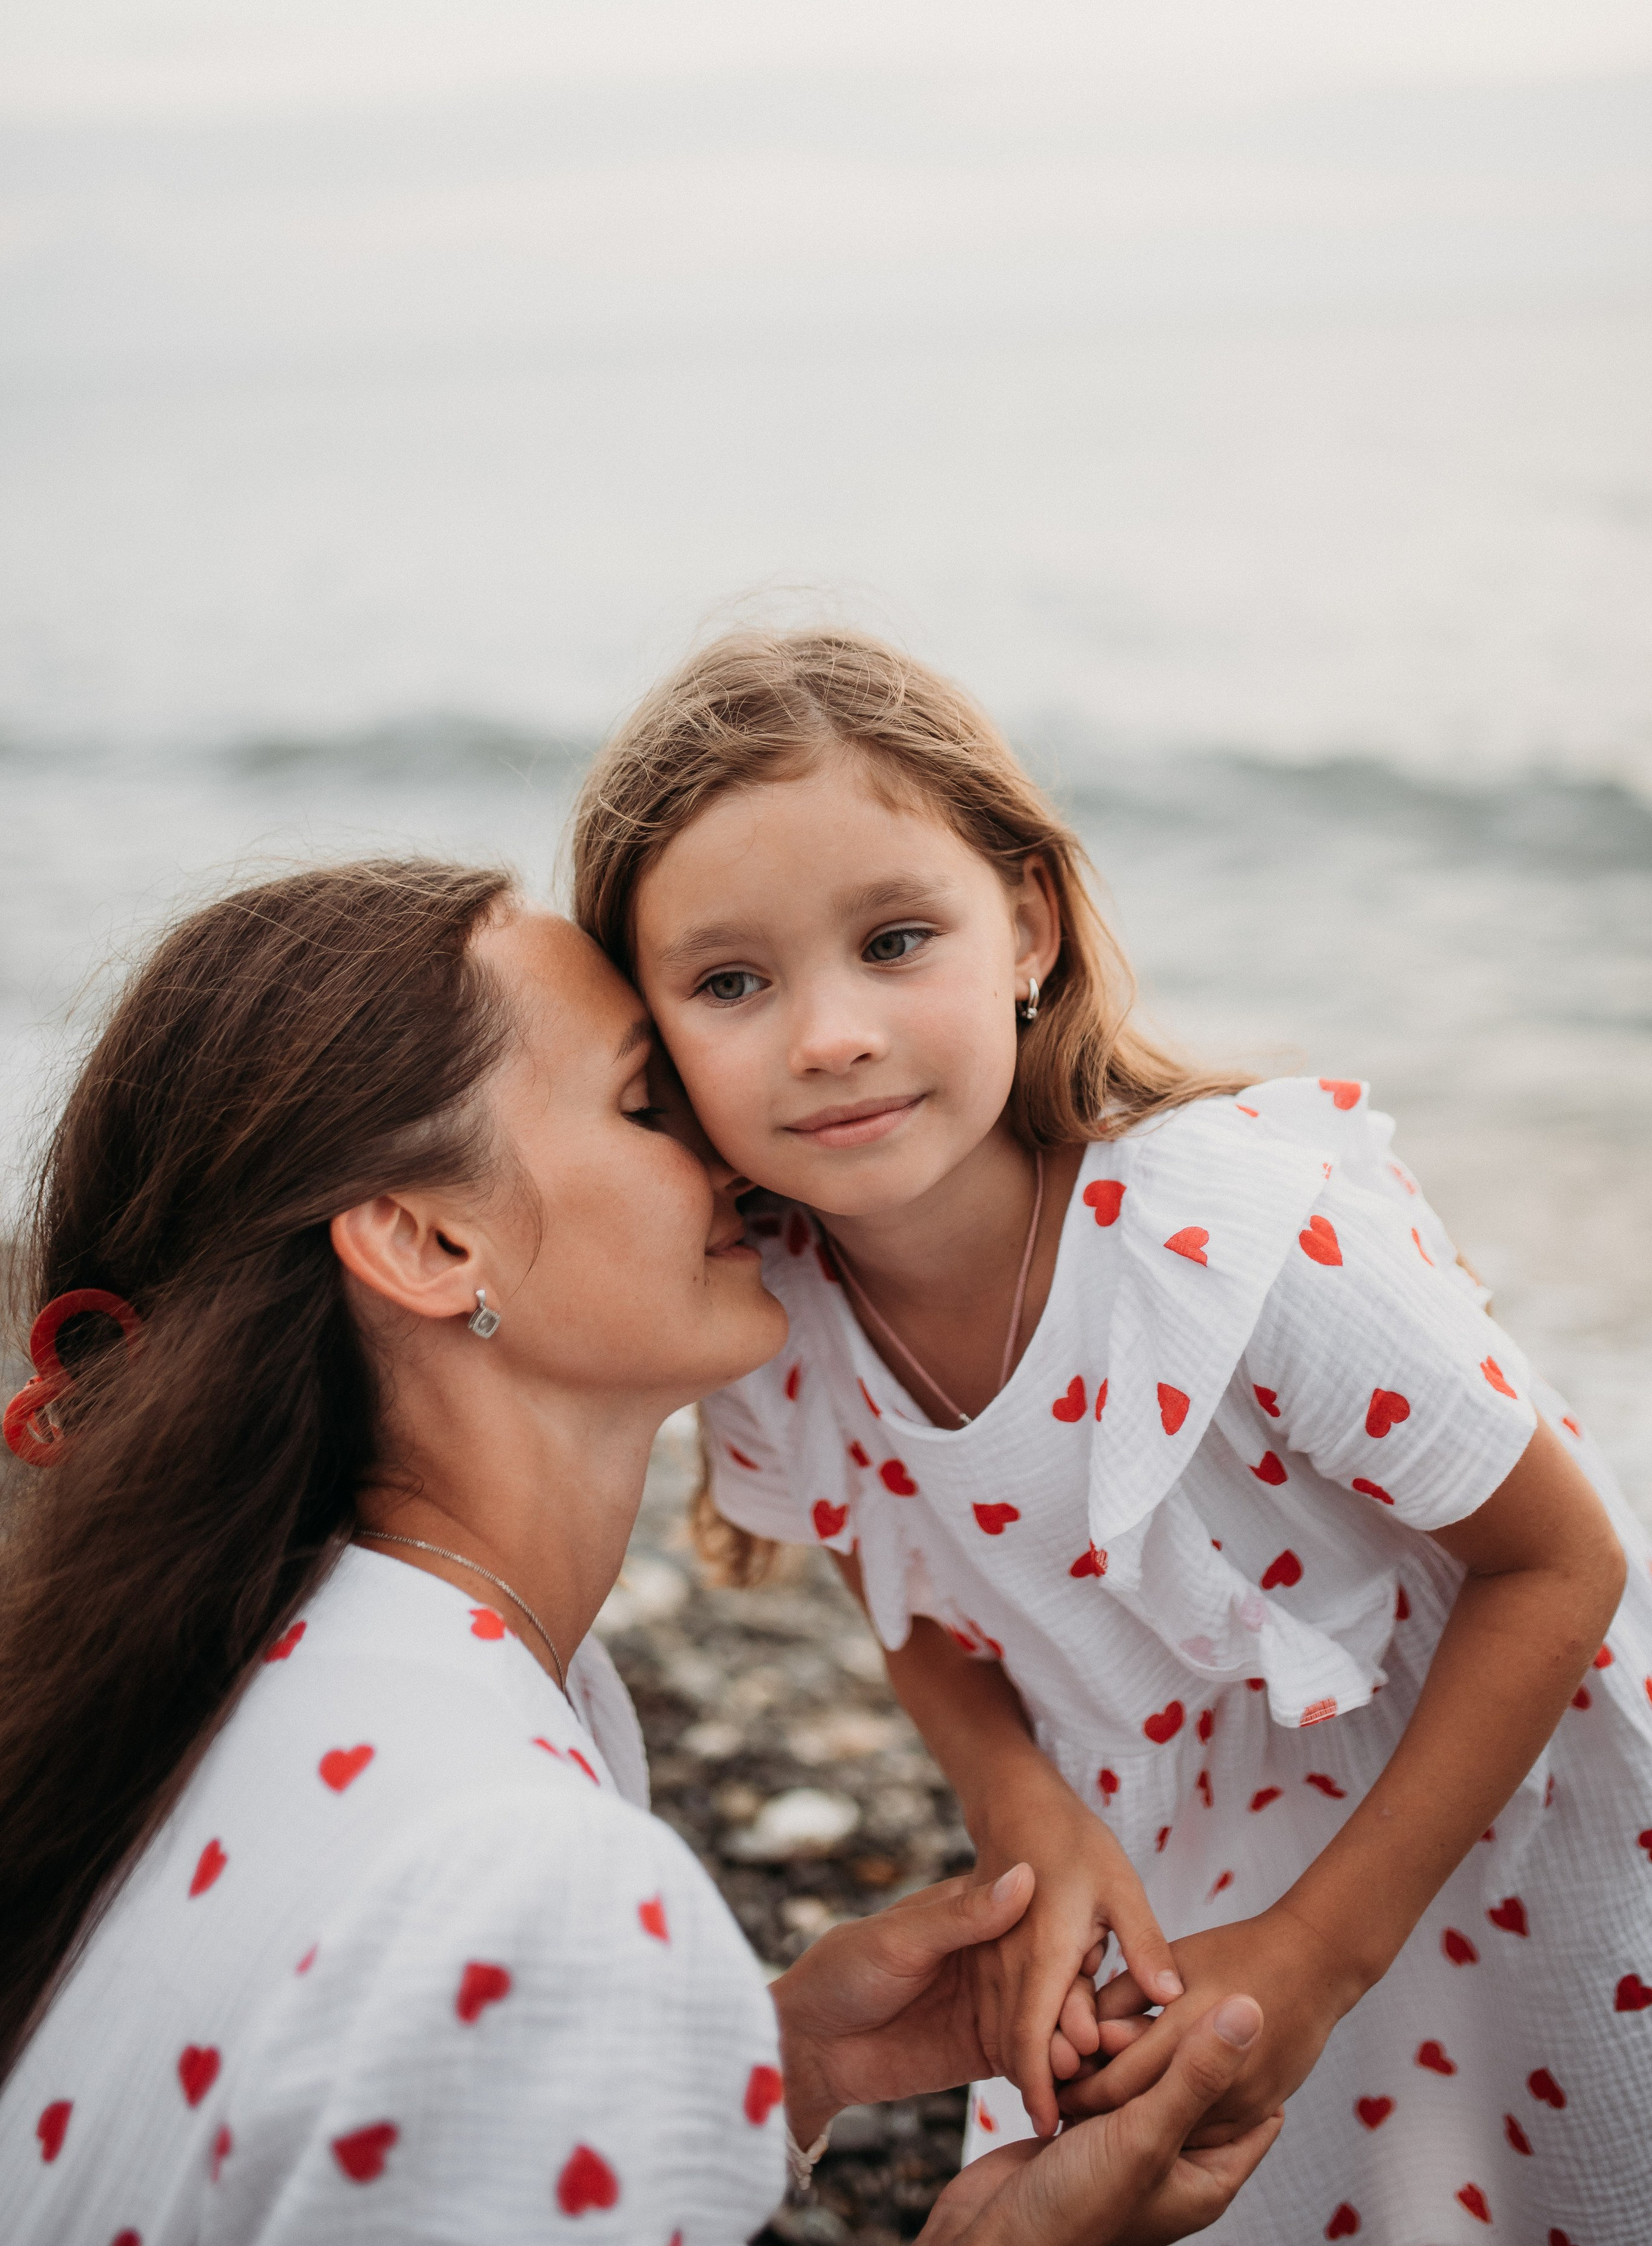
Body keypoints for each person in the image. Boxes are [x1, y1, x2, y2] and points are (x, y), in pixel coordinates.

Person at [0, 858, 1280, 2245]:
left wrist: (767, 2064)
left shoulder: (241, 1674)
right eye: (644, 1103)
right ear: (429, 1239)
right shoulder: (537, 1899)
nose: (740, 1146)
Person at [570, 627, 1652, 2246]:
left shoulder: (1229, 1244)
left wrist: (1314, 1951)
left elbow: (1561, 1564)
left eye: (892, 938)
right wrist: (1022, 1807)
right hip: (1169, 1868)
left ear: (1025, 923)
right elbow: (918, 1606)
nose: (828, 1035)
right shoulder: (768, 1315)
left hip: (1488, 1815)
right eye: (731, 982)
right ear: (647, 1035)